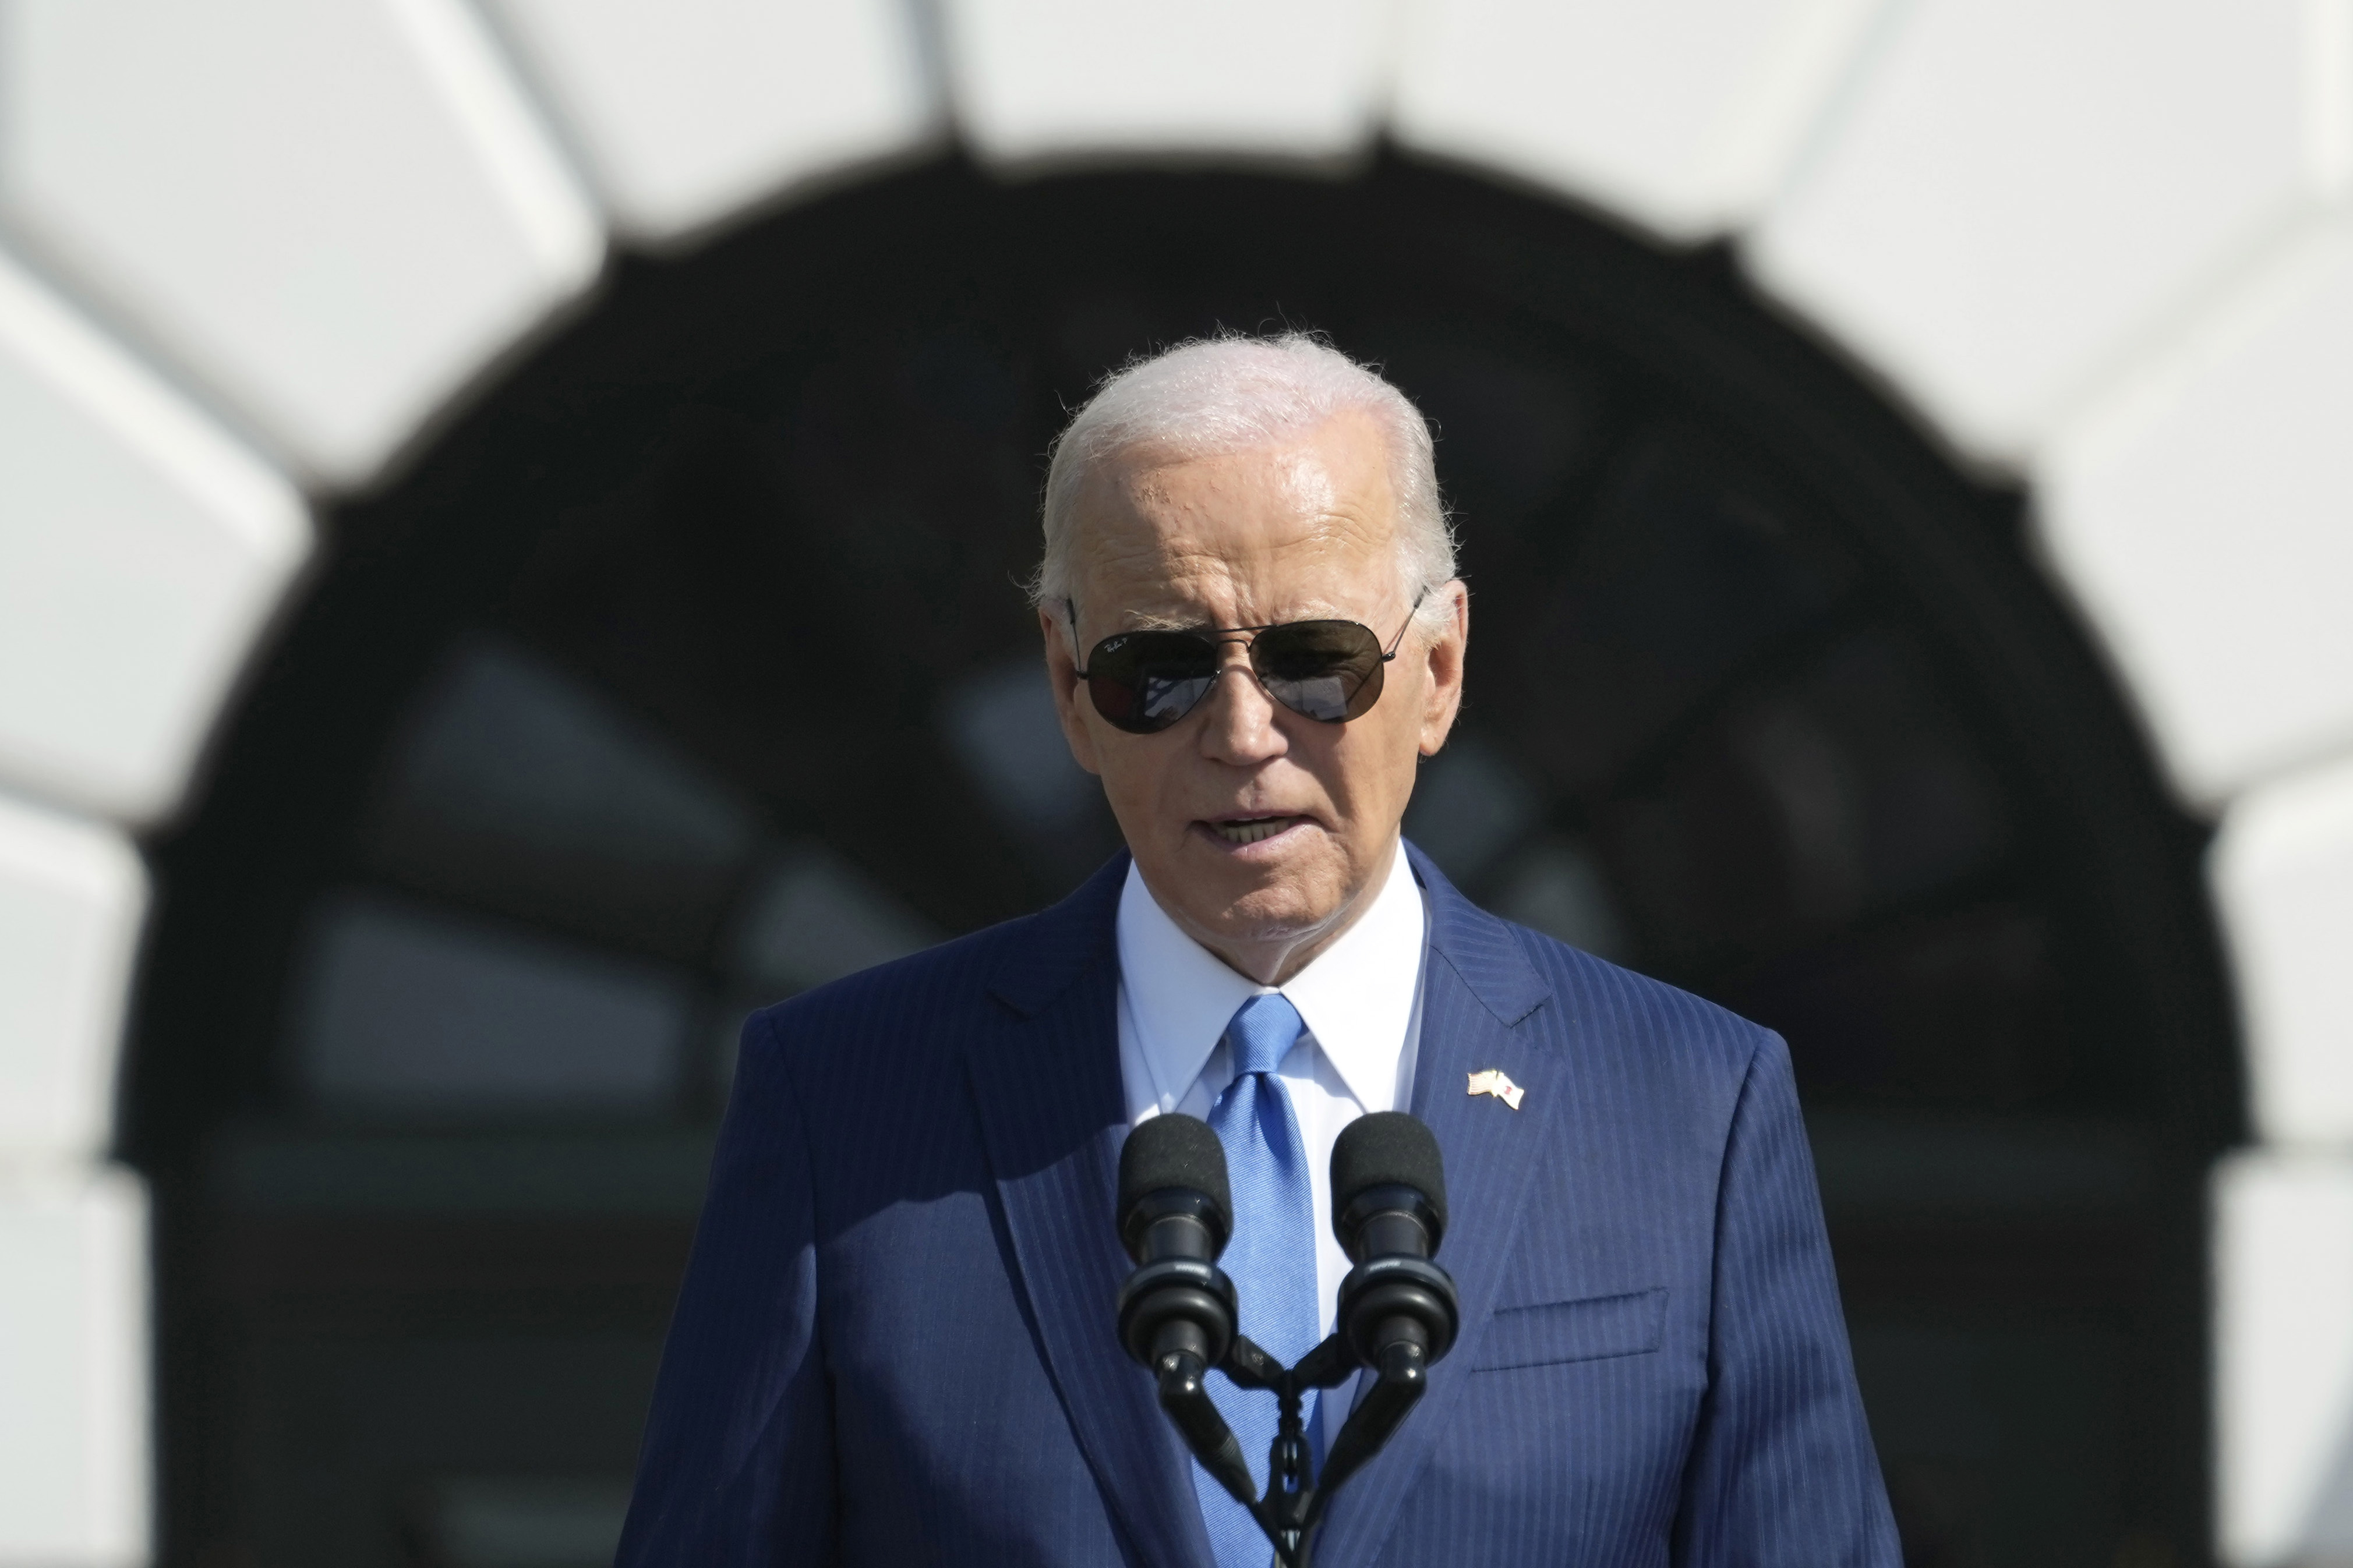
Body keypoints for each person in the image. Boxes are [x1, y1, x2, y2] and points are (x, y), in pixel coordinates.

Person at [617, 334, 1899, 1566]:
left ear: (1439, 667)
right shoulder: (845, 1098)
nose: (1241, 732)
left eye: (1315, 661)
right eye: (1158, 669)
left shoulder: (1688, 1107)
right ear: (1069, 687)